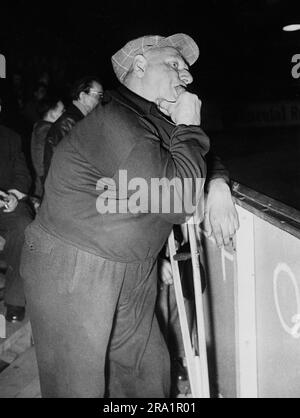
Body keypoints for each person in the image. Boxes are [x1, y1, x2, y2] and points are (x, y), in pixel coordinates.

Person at [21, 33, 223, 398]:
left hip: (134, 267)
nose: (188, 76)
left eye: (188, 68)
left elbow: (199, 160)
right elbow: (177, 197)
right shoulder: (116, 121)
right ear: (140, 65)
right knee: (77, 386)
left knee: (145, 373)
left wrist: (220, 183)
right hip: (75, 267)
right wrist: (191, 126)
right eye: (175, 64)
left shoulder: (150, 120)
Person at [0, 96, 34, 322]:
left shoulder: (11, 138)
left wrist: (13, 194)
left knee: (24, 223)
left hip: (4, 205)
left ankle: (14, 299)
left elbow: (23, 175)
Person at [43, 76, 103, 180]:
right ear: (82, 96)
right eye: (97, 96)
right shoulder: (70, 122)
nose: (100, 100)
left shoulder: (81, 120)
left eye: (101, 96)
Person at [31, 96, 65, 198]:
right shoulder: (47, 132)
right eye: (62, 110)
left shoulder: (41, 128)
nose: (66, 113)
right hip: (49, 189)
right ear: (52, 113)